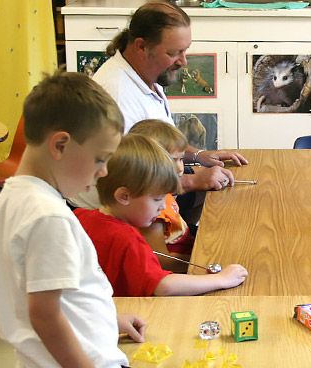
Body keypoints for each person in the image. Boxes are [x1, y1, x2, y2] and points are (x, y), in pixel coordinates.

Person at [0, 71, 146, 367]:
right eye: (100, 158)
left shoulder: (13, 196)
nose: (103, 172)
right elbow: (45, 316)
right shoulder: (48, 217)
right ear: (60, 145)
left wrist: (108, 320)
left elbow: (58, 297)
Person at [82, 1, 247, 220]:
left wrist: (198, 155)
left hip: (154, 187)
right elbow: (126, 180)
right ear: (141, 46)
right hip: (120, 208)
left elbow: (159, 144)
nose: (184, 61)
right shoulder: (116, 95)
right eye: (174, 52)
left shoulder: (149, 71)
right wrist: (193, 181)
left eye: (185, 50)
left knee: (231, 189)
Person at [74, 134, 249, 297]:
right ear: (124, 196)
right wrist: (221, 279)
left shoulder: (80, 217)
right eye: (157, 198)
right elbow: (162, 285)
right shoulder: (126, 238)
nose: (162, 207)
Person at [128, 119, 196, 272]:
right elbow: (160, 260)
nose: (180, 168)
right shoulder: (152, 210)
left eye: (181, 159)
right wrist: (197, 262)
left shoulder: (164, 192)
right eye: (173, 161)